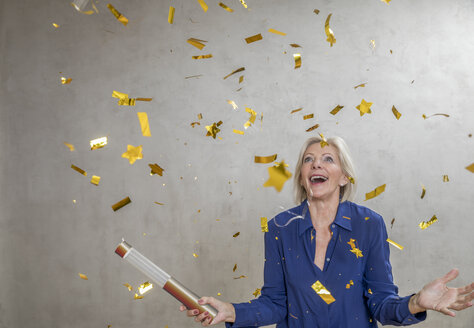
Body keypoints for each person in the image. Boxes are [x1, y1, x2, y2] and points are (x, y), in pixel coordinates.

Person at [180, 136, 474, 327]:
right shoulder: (280, 228)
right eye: (308, 159)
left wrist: (415, 303)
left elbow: (381, 304)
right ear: (302, 176)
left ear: (344, 176)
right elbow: (274, 303)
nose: (316, 163)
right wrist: (229, 311)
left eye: (327, 159)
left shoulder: (369, 224)